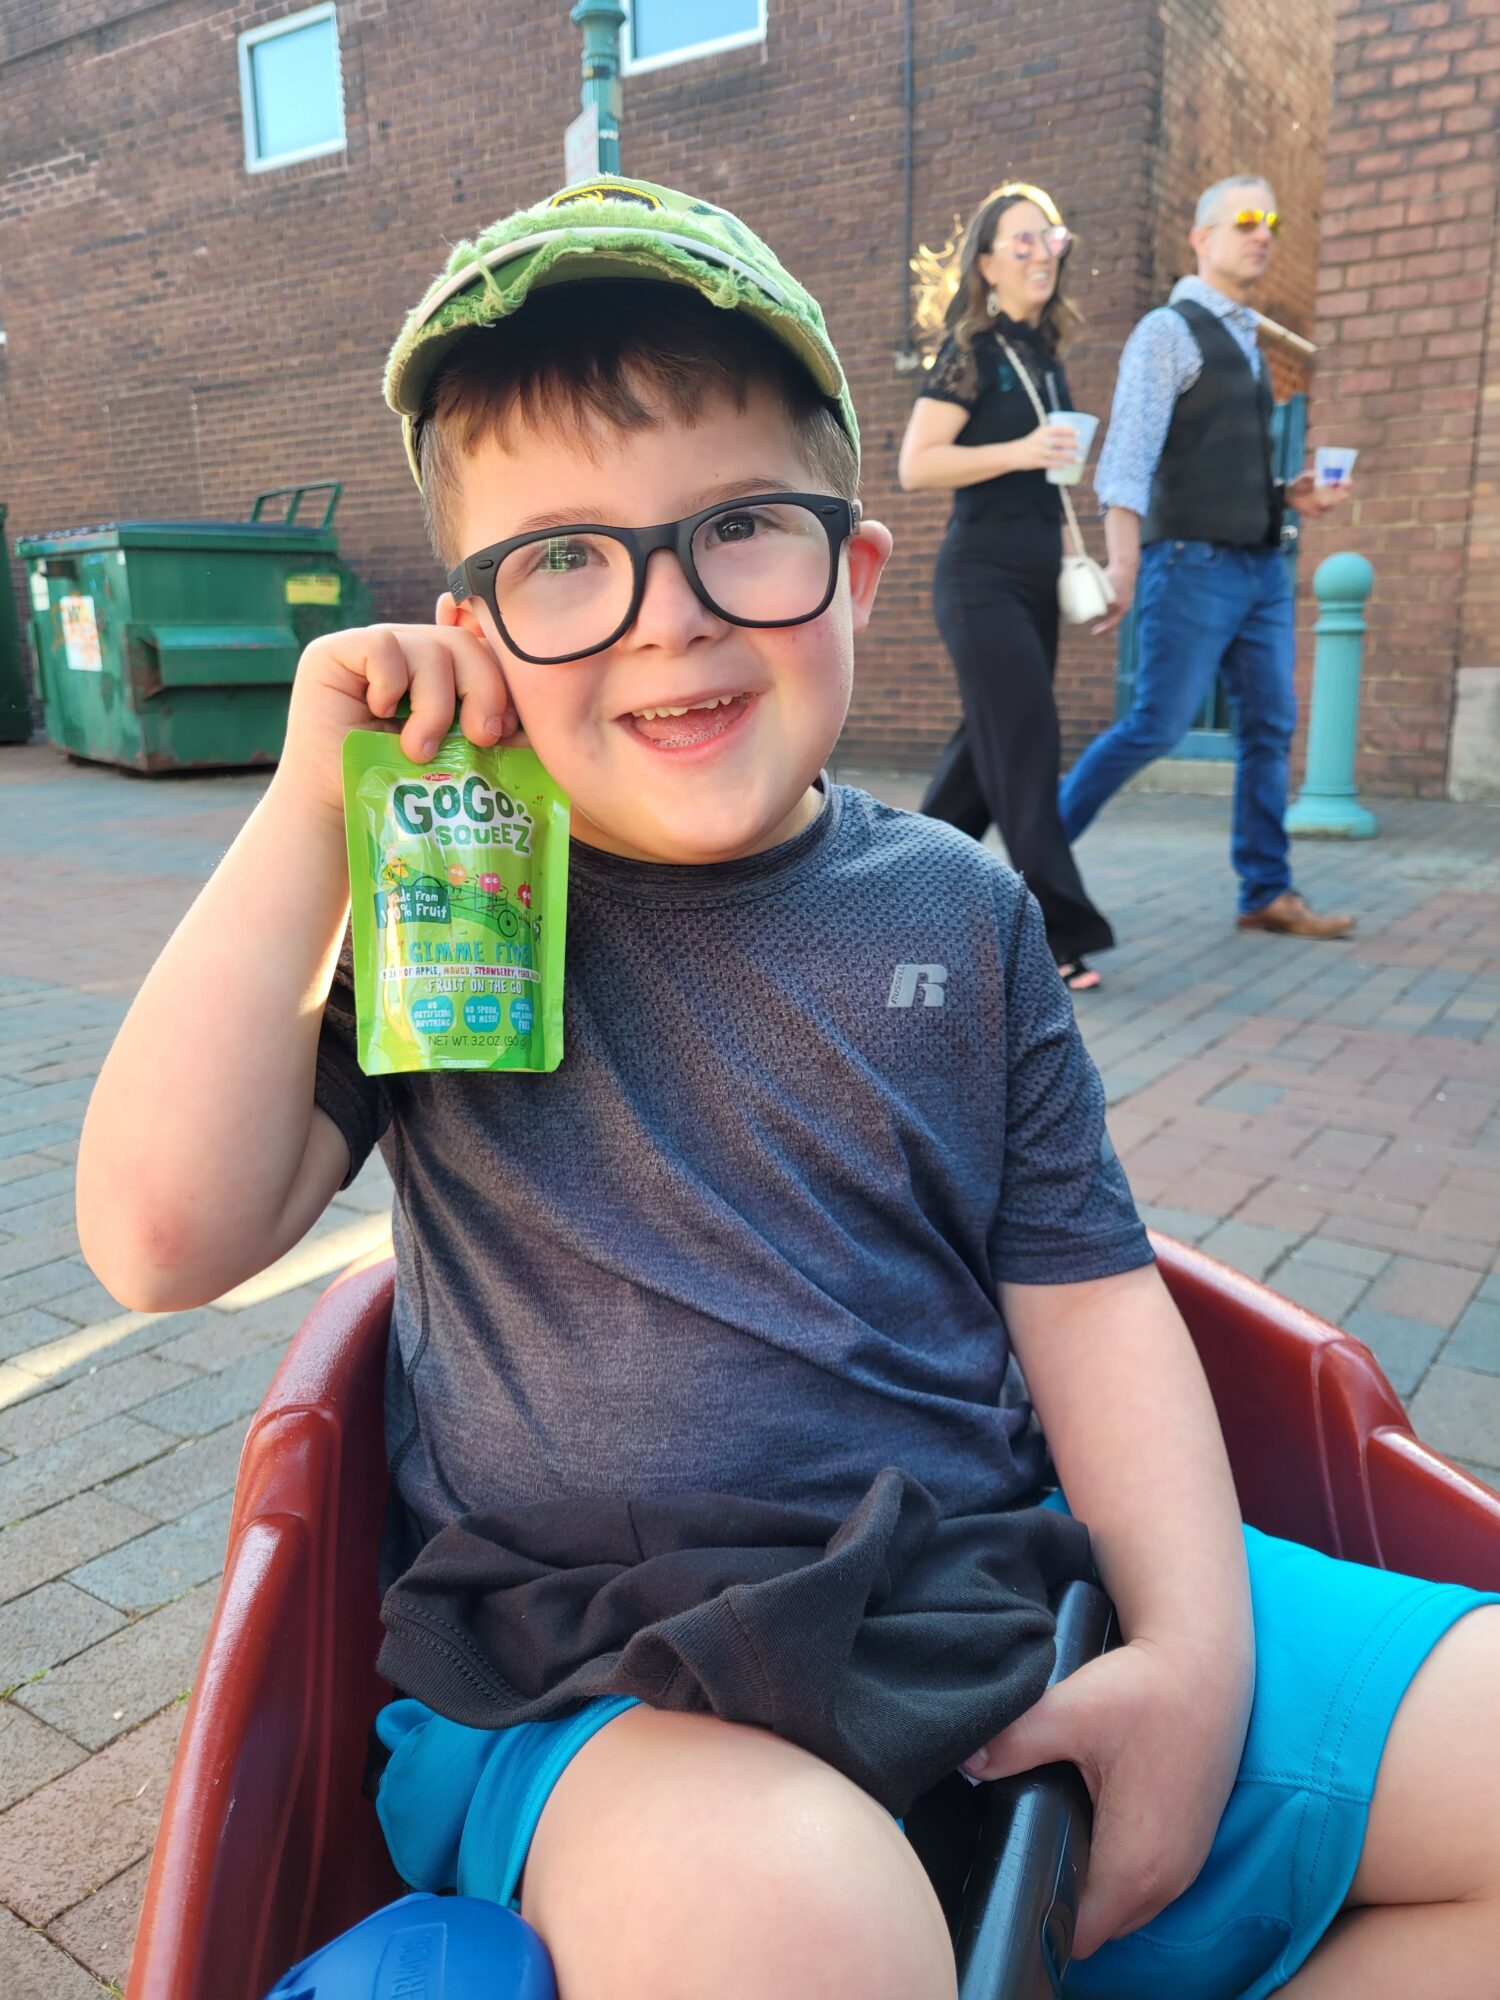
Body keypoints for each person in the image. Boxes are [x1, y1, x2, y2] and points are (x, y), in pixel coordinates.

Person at [78, 180, 1500, 2000]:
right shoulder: (460, 892)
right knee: (802, 1920)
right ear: (472, 632)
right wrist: (312, 811)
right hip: (597, 1682)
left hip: (987, 1584)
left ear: (857, 570)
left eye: (740, 527)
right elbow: (159, 1235)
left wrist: (1192, 1659)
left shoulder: (961, 911)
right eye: (565, 559)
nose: (667, 617)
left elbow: (1092, 1308)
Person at [1060, 173, 1355, 939]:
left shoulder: (1249, 341)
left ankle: (1265, 891)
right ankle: (1033, 865)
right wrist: (1123, 565)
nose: (1263, 234)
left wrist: (1289, 493)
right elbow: (1128, 458)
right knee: (1156, 726)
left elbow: (1217, 462)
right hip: (1190, 565)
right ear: (1201, 236)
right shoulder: (1168, 330)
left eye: (1272, 224)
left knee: (1270, 726)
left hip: (1260, 570)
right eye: (1247, 219)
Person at [900, 183, 1113, 993]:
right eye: (1020, 241)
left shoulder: (1047, 361)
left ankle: (896, 889)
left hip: (1034, 573)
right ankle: (1058, 929)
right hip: (979, 575)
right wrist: (1022, 449)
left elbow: (1052, 485)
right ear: (986, 264)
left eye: (1049, 238)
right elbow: (917, 464)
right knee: (1027, 739)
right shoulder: (973, 352)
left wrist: (1082, 566)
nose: (1040, 253)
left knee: (982, 755)